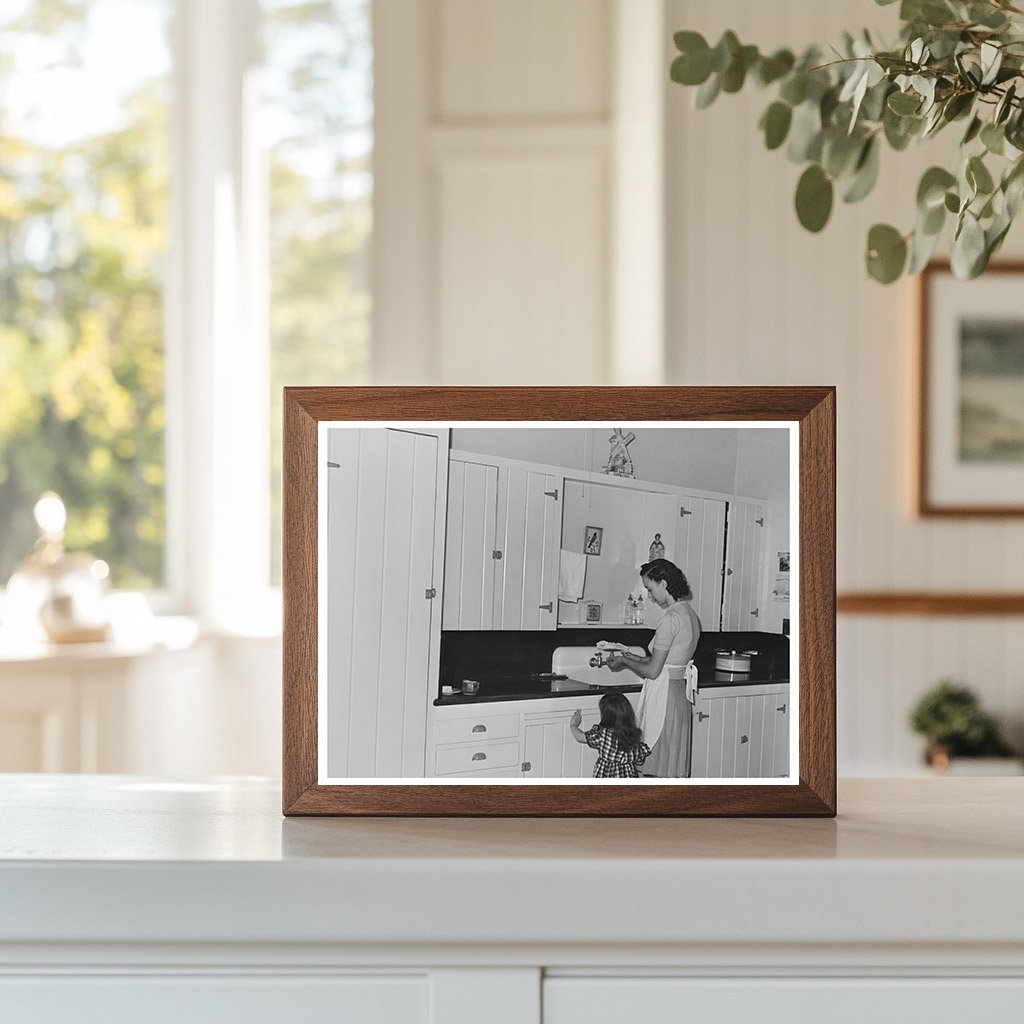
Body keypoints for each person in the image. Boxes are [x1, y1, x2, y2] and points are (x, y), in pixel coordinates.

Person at [606, 558, 701, 777]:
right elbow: (669, 662)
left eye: (650, 588)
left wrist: (624, 662)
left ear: (663, 584)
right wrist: (630, 656)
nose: (649, 596)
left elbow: (653, 671)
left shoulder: (670, 620)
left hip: (665, 699)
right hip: (678, 697)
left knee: (656, 768)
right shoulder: (689, 615)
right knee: (670, 765)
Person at [569, 693, 651, 778]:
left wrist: (573, 726)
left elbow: (580, 737)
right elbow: (640, 760)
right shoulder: (633, 735)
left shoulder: (603, 735)